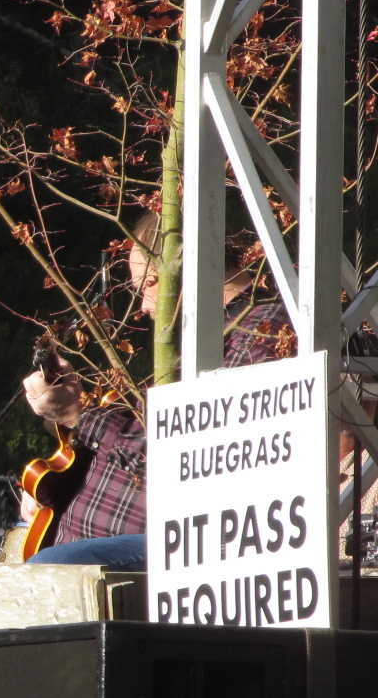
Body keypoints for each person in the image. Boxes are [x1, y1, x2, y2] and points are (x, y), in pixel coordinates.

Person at [22, 215, 294, 570]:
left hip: (185, 547)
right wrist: (51, 492)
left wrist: (78, 414)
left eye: (146, 286)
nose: (143, 308)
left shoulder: (260, 335)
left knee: (48, 569)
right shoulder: (205, 341)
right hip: (93, 550)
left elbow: (189, 456)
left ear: (182, 269)